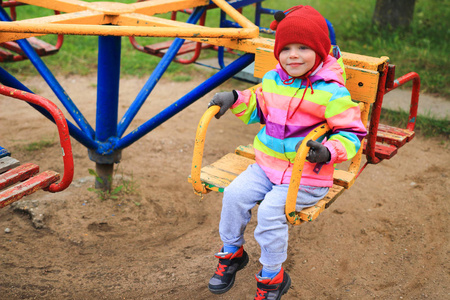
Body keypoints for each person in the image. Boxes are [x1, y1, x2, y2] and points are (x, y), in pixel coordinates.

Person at [207, 5, 367, 299]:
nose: (293, 55)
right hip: (266, 166)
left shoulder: (333, 92)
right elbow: (260, 107)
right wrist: (235, 98)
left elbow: (352, 133)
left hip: (306, 175)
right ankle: (232, 253)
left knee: (269, 212)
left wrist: (329, 151)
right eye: (286, 48)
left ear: (320, 51)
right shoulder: (273, 80)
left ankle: (272, 275)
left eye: (303, 47)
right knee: (233, 195)